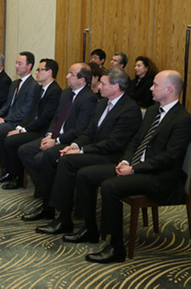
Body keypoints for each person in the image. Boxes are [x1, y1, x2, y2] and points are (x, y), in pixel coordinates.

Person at [70, 70, 191, 264]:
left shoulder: (183, 119)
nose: (150, 88)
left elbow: (169, 158)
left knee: (110, 187)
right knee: (85, 174)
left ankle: (116, 248)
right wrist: (126, 161)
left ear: (169, 89)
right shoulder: (152, 111)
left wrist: (134, 169)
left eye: (155, 85)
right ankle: (90, 229)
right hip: (135, 167)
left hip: (159, 177)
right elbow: (135, 141)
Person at [34, 68, 141, 235]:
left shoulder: (129, 109)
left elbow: (114, 144)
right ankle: (53, 210)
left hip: (112, 157)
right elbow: (89, 132)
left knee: (68, 161)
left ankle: (65, 219)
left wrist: (82, 150)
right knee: (58, 154)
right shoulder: (103, 103)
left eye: (103, 84)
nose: (98, 87)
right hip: (96, 151)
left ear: (115, 87)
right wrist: (75, 146)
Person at [18, 62, 97, 222]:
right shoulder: (66, 92)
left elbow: (80, 130)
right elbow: (56, 118)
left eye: (71, 74)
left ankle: (48, 205)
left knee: (43, 158)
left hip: (70, 141)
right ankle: (50, 192)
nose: (66, 76)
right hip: (54, 136)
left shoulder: (89, 98)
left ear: (82, 80)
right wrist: (49, 135)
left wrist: (57, 140)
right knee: (25, 150)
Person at [0, 58, 62, 189]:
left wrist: (23, 130)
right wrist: (20, 127)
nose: (36, 72)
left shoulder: (55, 91)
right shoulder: (39, 89)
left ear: (49, 72)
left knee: (11, 141)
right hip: (33, 126)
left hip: (42, 130)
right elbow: (31, 113)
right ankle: (8, 171)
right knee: (1, 134)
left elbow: (45, 119)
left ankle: (17, 177)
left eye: (40, 70)